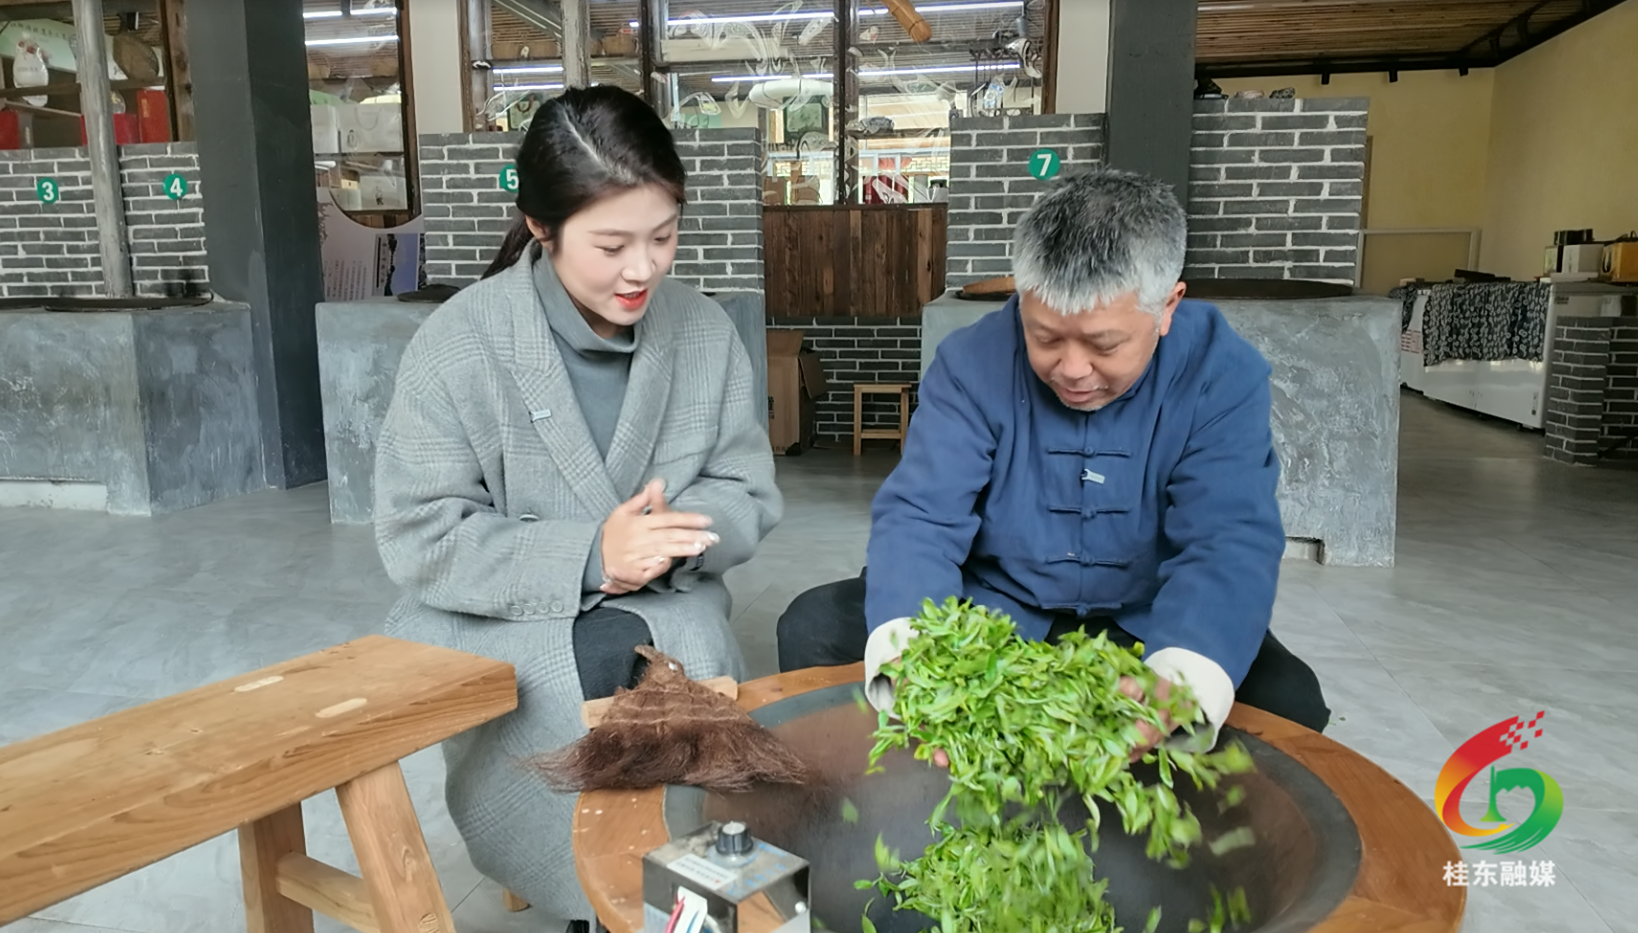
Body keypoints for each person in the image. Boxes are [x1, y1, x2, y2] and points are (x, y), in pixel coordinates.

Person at [373, 86, 781, 928]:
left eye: (663, 236)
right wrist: (592, 555)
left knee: (691, 660)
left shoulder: (703, 333)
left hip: (667, 595)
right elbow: (420, 533)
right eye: (611, 244)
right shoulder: (459, 343)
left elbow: (745, 486)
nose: (643, 269)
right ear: (541, 226)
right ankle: (601, 901)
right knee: (588, 666)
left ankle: (682, 896)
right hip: (498, 612)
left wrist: (672, 541)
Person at [776, 167, 1329, 755]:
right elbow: (921, 516)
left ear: (1167, 307)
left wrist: (1181, 678)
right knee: (816, 628)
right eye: (1044, 337)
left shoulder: (1221, 372)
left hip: (1147, 621)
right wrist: (916, 658)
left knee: (1285, 699)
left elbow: (1227, 538)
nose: (1072, 369)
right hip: (990, 612)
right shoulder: (971, 362)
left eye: (1104, 344)